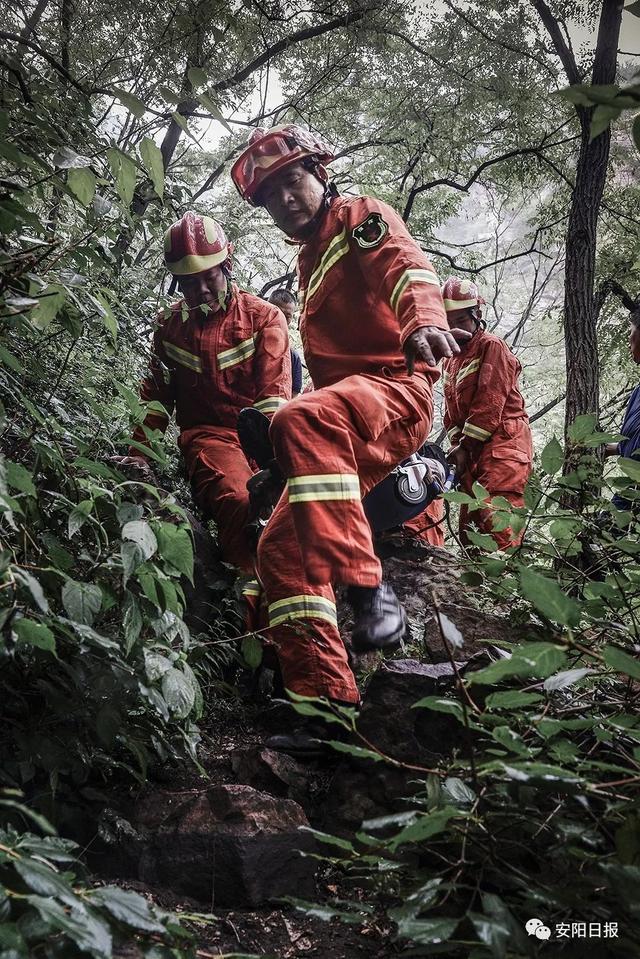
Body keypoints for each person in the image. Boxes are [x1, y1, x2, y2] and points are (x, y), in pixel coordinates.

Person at [231, 125, 466, 753]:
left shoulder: (361, 219)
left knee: (298, 419)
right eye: (270, 194)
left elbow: (407, 270)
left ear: (320, 173)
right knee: (281, 549)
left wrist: (423, 323)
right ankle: (328, 708)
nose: (286, 197)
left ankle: (371, 597)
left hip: (395, 392)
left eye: (293, 180)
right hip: (345, 422)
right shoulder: (307, 267)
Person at [124, 211, 291, 573]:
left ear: (226, 265)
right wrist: (139, 454)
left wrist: (275, 462)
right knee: (242, 499)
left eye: (208, 277)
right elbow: (156, 399)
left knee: (293, 508)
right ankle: (245, 599)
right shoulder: (169, 326)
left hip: (264, 437)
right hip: (208, 437)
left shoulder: (264, 318)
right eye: (187, 282)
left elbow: (274, 394)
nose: (199, 290)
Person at [441, 277, 533, 549]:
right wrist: (458, 447)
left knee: (497, 516)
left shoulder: (491, 346)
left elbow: (489, 403)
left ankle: (503, 588)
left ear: (476, 315)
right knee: (470, 522)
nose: (454, 329)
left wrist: (463, 445)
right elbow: (451, 413)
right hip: (472, 449)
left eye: (460, 321)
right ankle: (475, 589)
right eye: (449, 323)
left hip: (503, 444)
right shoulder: (451, 360)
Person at [604, 305, 640, 513]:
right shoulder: (637, 392)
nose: (628, 342)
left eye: (631, 333)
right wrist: (615, 448)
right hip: (631, 488)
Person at [268, 288, 303, 396]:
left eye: (287, 316)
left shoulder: (293, 357)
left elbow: (293, 395)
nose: (281, 319)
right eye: (277, 312)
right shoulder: (248, 341)